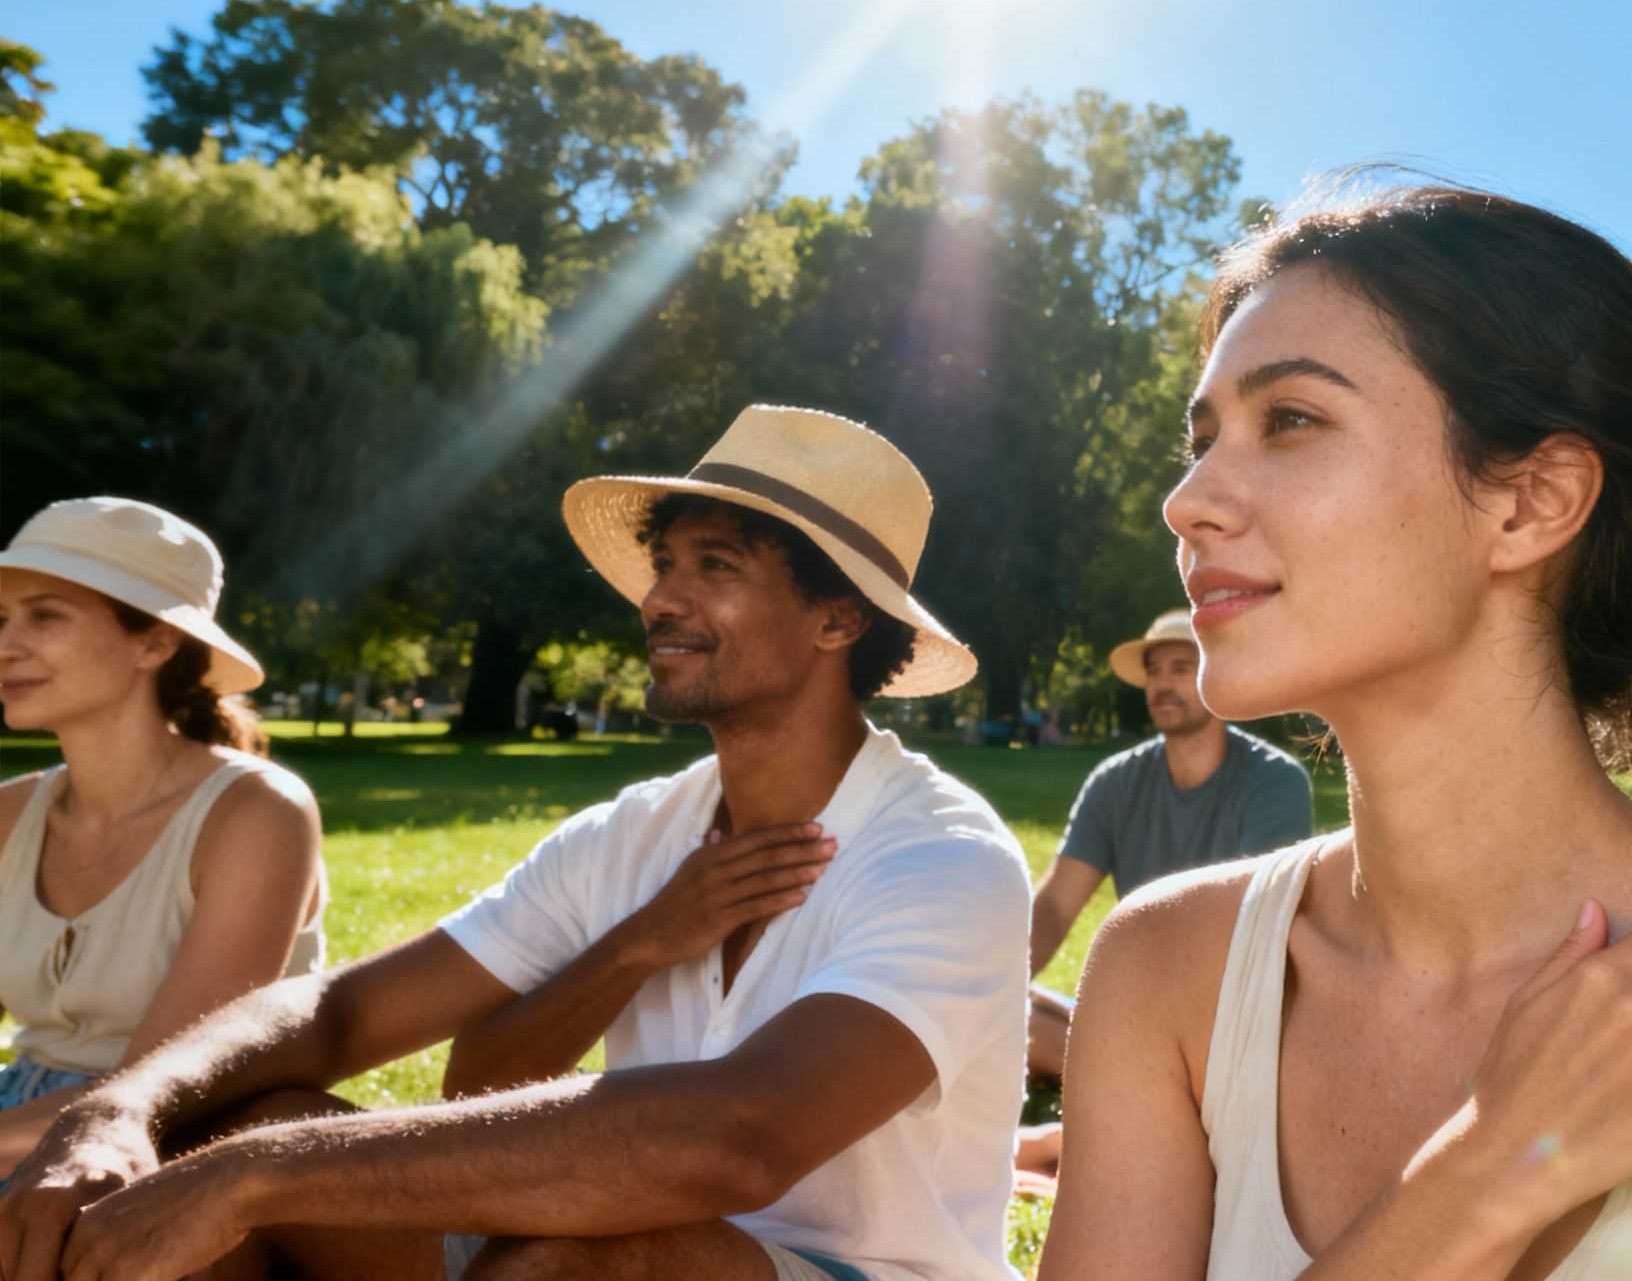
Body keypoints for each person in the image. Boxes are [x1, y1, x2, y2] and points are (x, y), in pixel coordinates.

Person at [1038, 186, 1632, 1279]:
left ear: (1533, 503)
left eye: (1291, 420)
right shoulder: (1166, 969)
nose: (1186, 501)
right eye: (1202, 439)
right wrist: (1487, 1173)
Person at [0, 405, 1033, 1281]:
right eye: (664, 564)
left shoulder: (941, 856)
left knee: (578, 1258)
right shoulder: (633, 833)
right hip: (598, 1235)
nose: (659, 598)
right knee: (214, 1126)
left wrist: (260, 1172)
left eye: (713, 565)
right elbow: (342, 1008)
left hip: (833, 1270)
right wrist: (119, 1110)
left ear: (836, 620)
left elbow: (740, 1138)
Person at [0, 497, 325, 1172]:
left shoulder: (258, 813)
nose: (7, 645)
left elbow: (171, 1086)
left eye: (46, 616)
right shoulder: (11, 813)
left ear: (155, 641)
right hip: (20, 1118)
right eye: (2, 618)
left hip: (175, 1141)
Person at [1025, 607, 1314, 1080]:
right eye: (1154, 671)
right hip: (1136, 1008)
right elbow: (1056, 906)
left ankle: (1145, 1078)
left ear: (1217, 674)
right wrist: (995, 987)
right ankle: (1146, 1078)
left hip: (1231, 1016)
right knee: (1017, 1016)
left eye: (1182, 668)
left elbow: (1250, 930)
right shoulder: (1115, 784)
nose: (1162, 684)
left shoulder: (1274, 783)